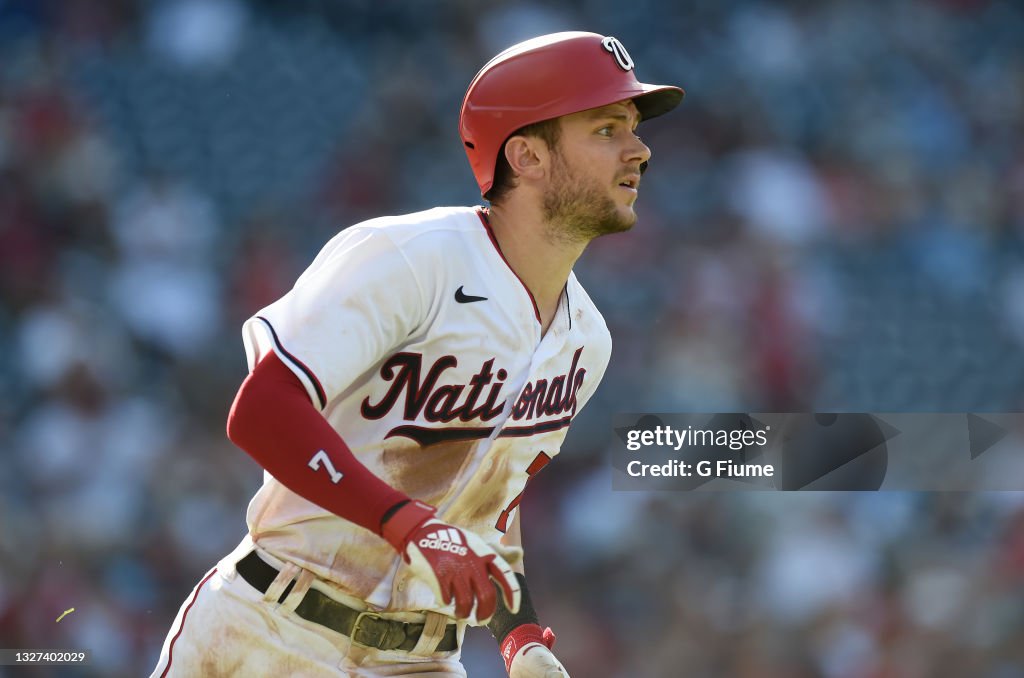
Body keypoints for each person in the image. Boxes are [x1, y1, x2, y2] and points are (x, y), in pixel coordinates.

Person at [151, 31, 683, 677]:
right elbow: (262, 410)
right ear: (528, 156)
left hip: (421, 661)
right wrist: (408, 524)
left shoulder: (586, 340)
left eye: (632, 127)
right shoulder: (410, 258)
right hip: (275, 632)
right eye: (606, 128)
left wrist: (520, 637)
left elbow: (490, 507)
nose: (640, 149)